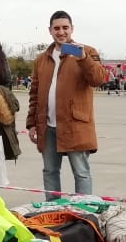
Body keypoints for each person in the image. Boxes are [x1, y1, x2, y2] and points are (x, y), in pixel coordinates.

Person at [25, 11, 106, 199]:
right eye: (57, 28)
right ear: (50, 31)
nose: (61, 32)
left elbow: (99, 79)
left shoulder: (87, 51)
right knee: (50, 172)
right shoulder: (41, 59)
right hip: (48, 126)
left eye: (65, 28)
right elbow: (34, 94)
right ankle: (53, 209)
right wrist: (31, 124)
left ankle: (83, 213)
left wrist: (83, 57)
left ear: (72, 29)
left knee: (81, 172)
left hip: (74, 125)